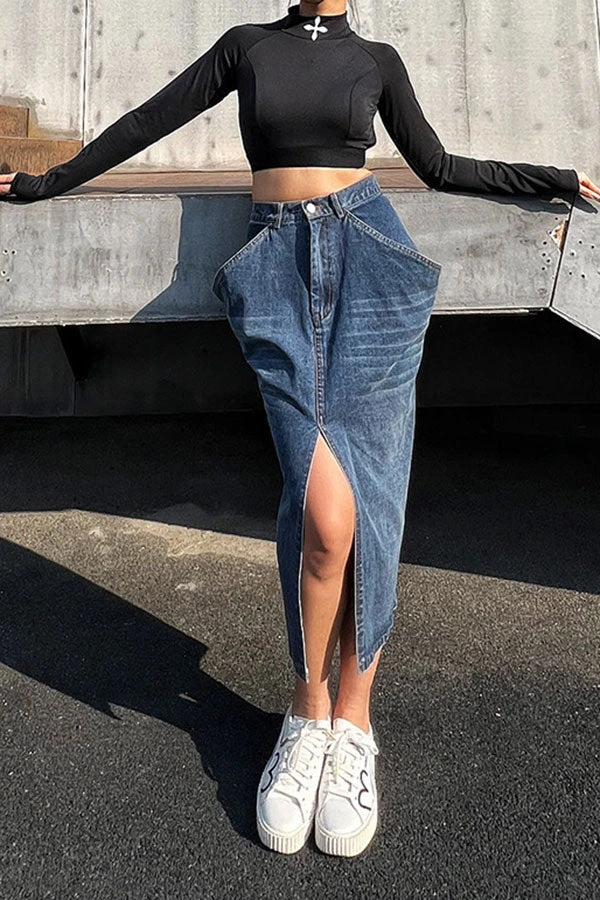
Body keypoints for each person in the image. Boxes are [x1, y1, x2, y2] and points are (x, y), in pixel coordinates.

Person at [2, 0, 599, 859]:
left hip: (370, 263)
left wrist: (550, 176)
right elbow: (148, 119)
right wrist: (46, 182)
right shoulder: (247, 47)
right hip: (277, 271)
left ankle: (353, 724)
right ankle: (306, 708)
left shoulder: (377, 59)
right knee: (324, 518)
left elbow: (436, 165)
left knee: (372, 508)